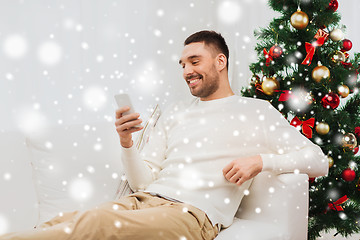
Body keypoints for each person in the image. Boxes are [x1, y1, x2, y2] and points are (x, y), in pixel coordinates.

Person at [0, 30, 328, 240]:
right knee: (74, 218)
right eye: (182, 64)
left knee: (96, 226)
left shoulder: (256, 111)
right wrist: (127, 144)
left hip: (193, 215)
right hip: (143, 201)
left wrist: (261, 161)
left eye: (194, 61)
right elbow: (144, 181)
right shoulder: (177, 113)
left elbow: (319, 161)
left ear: (221, 61)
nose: (186, 71)